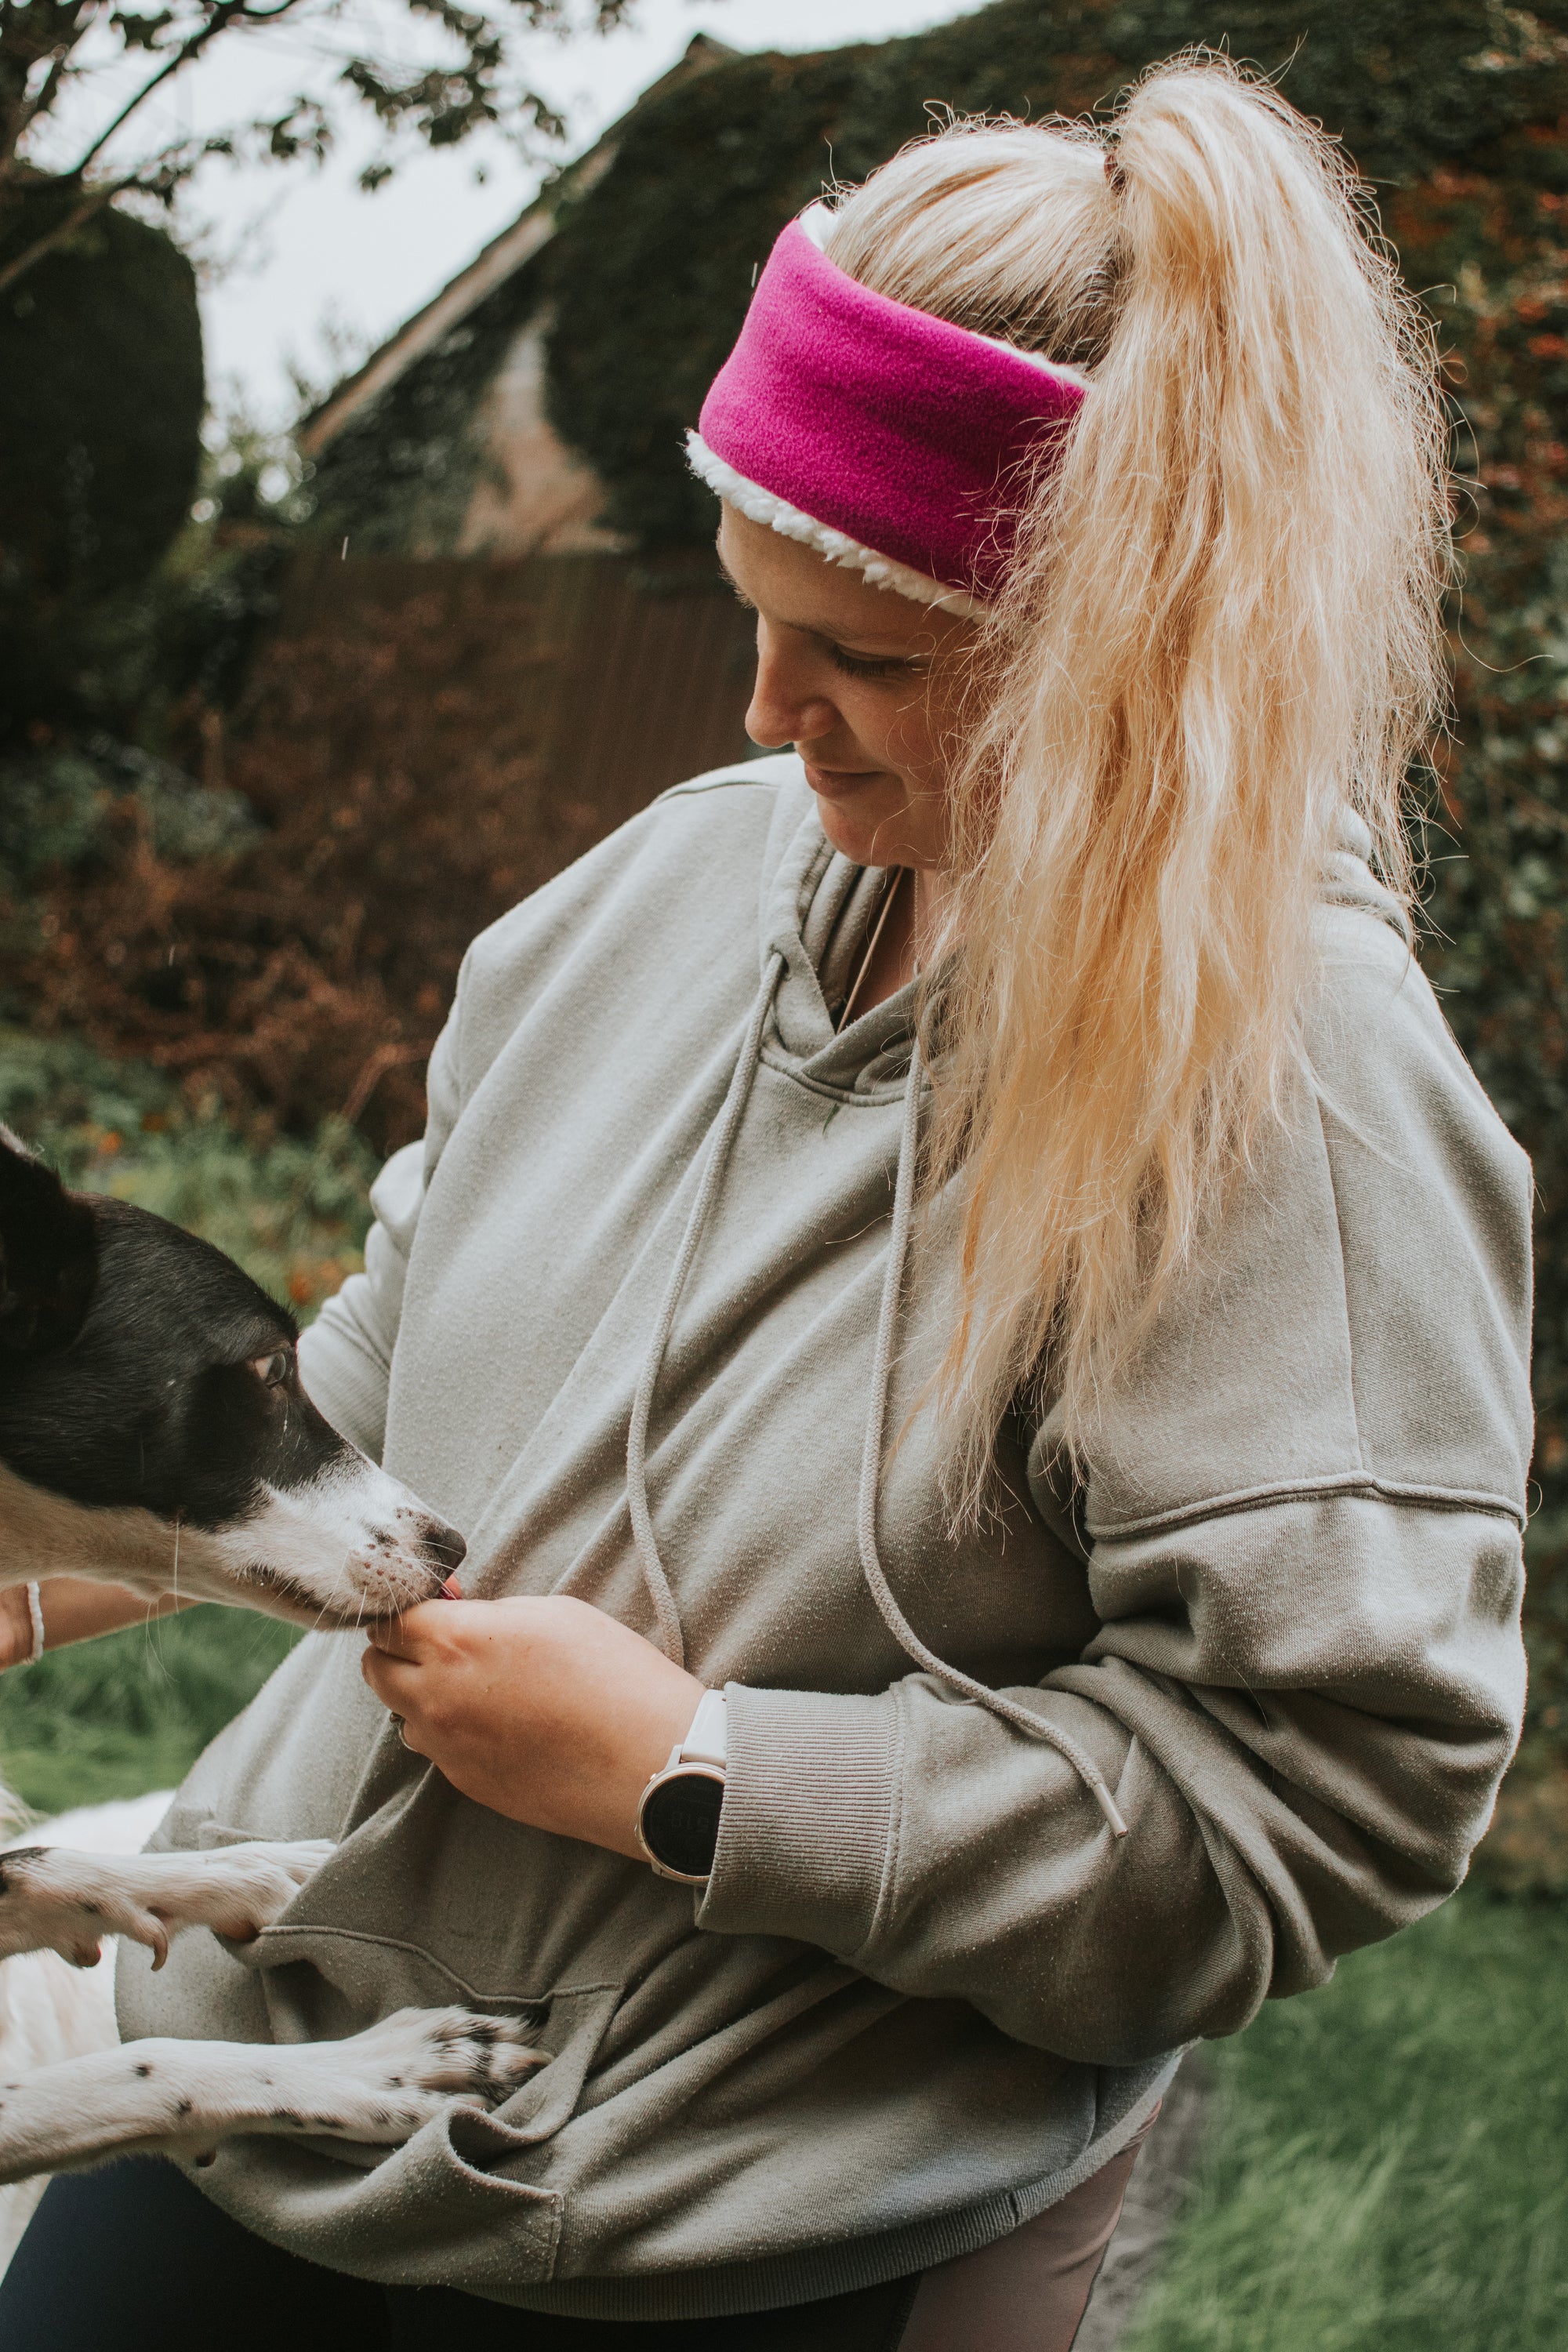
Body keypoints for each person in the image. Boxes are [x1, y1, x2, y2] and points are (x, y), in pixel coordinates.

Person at [0, 53, 1532, 2352]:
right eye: (749, 609)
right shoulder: (657, 889)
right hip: (265, 2074)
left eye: (871, 656)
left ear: (1136, 654)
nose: (759, 714)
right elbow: (371, 1365)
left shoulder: (1297, 1102)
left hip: (720, 2224)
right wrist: (30, 1591)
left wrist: (695, 1777)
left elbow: (1318, 1805)